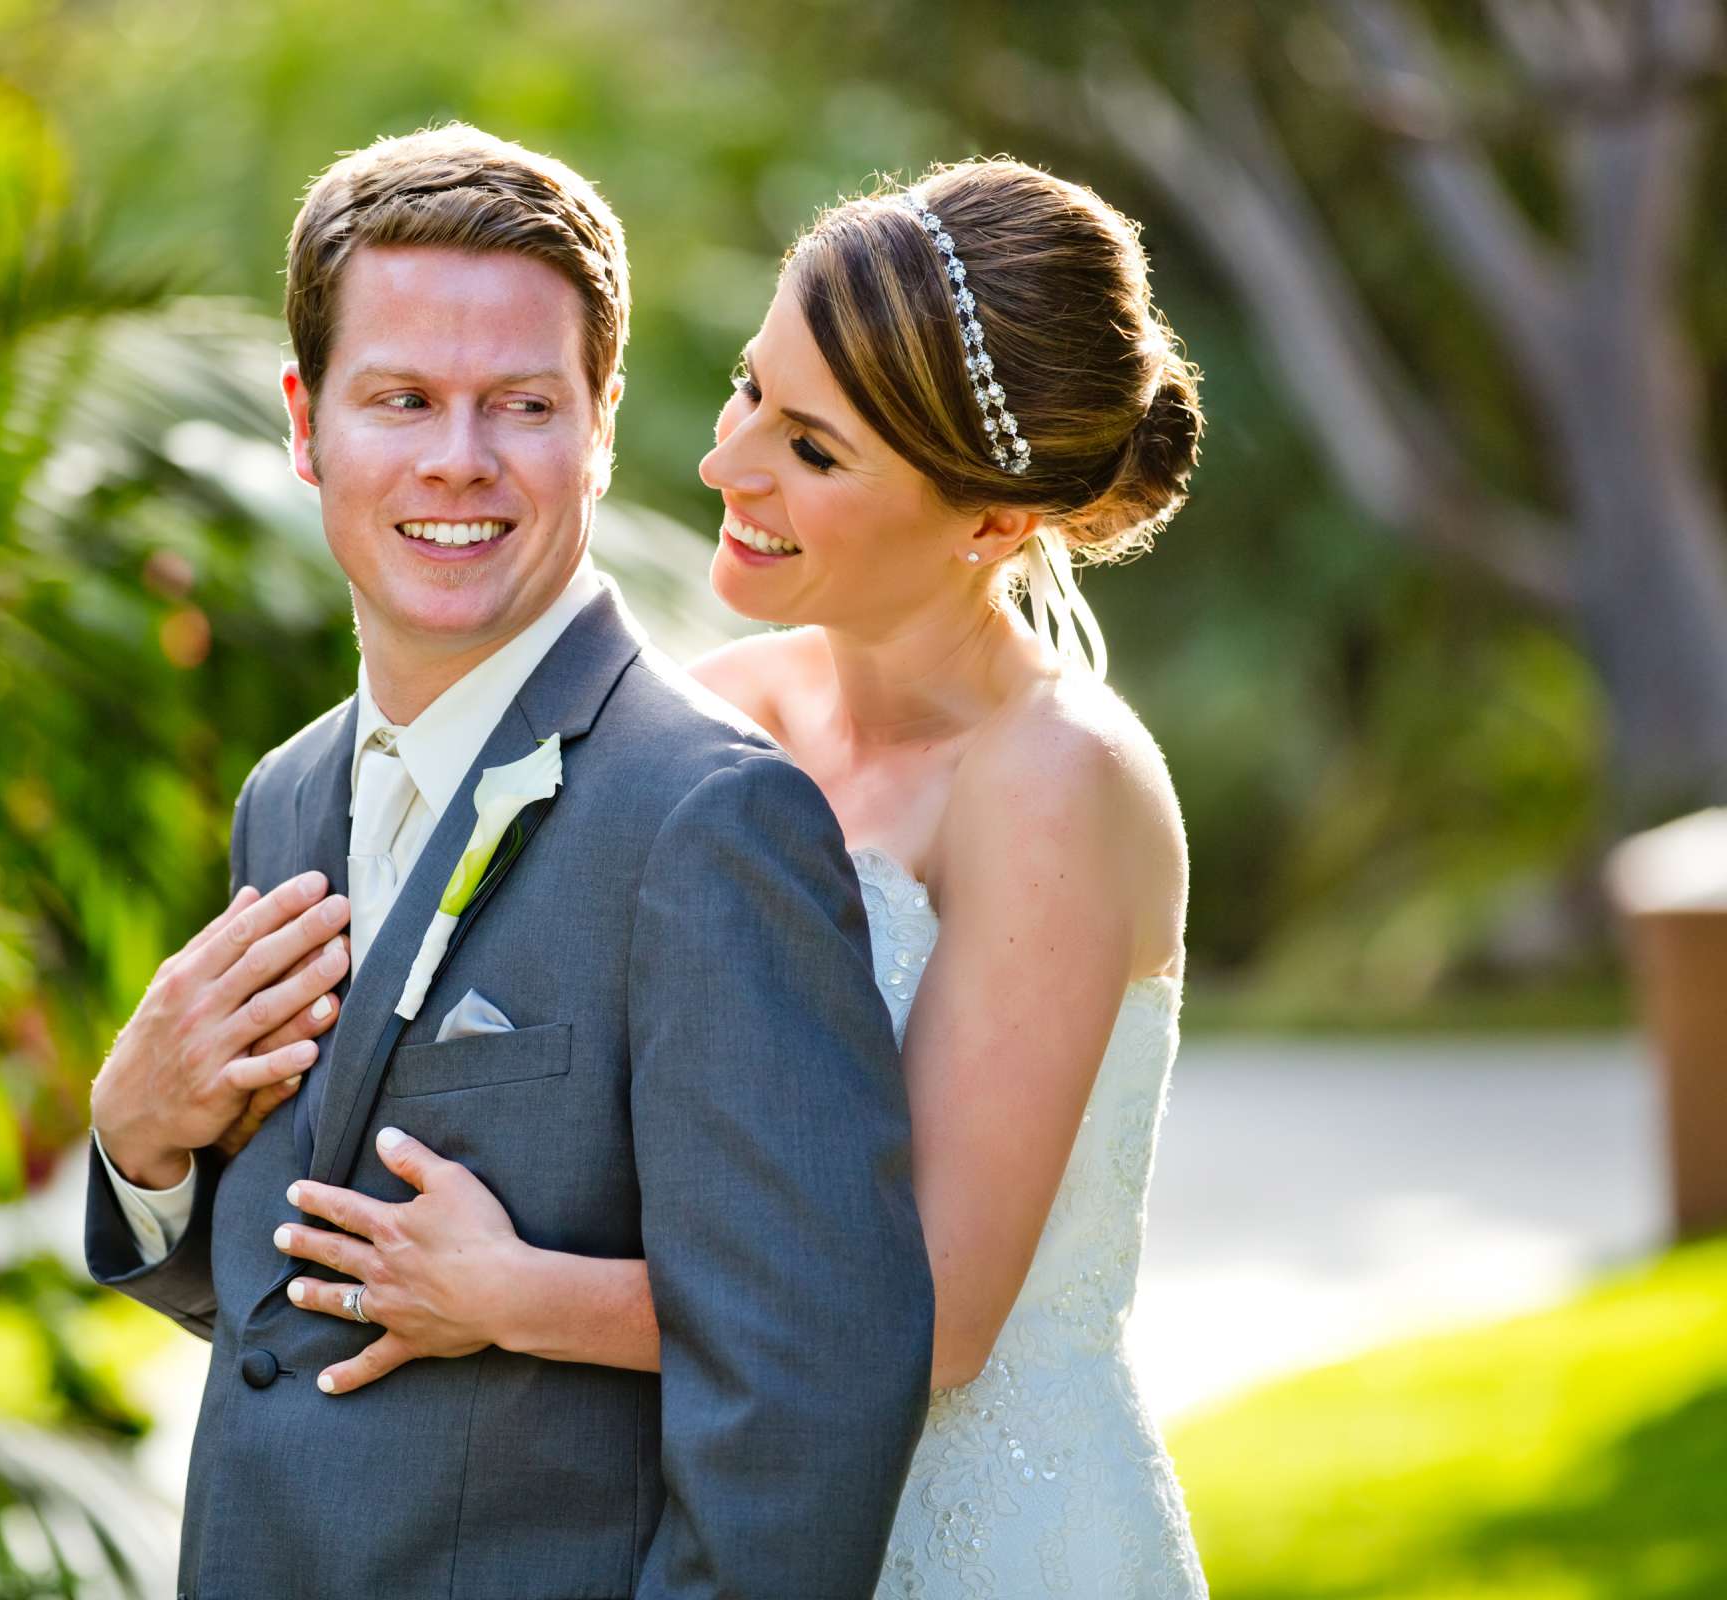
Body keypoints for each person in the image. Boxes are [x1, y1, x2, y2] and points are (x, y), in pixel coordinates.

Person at [275, 161, 1211, 1597]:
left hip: (982, 1529)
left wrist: (520, 1298)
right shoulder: (713, 717)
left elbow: (943, 1317)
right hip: (707, 1518)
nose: (727, 465)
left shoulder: (1055, 782)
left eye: (814, 451)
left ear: (989, 523)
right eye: (746, 389)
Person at [82, 124, 936, 1600]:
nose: (458, 461)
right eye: (400, 398)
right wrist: (141, 1147)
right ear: (307, 423)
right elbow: (292, 1313)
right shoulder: (287, 798)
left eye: (521, 405)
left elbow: (810, 1380)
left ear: (601, 423)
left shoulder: (710, 823)